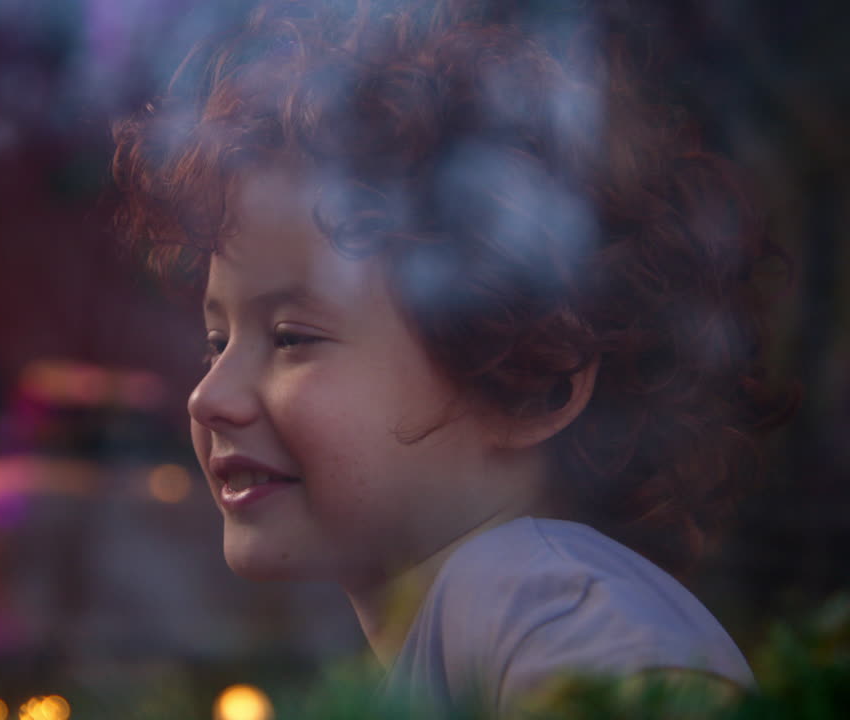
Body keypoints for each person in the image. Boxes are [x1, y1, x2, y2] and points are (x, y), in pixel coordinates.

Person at [110, 0, 796, 714]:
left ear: (533, 380)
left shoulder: (536, 601)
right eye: (215, 343)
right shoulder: (468, 622)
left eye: (291, 339)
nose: (208, 396)